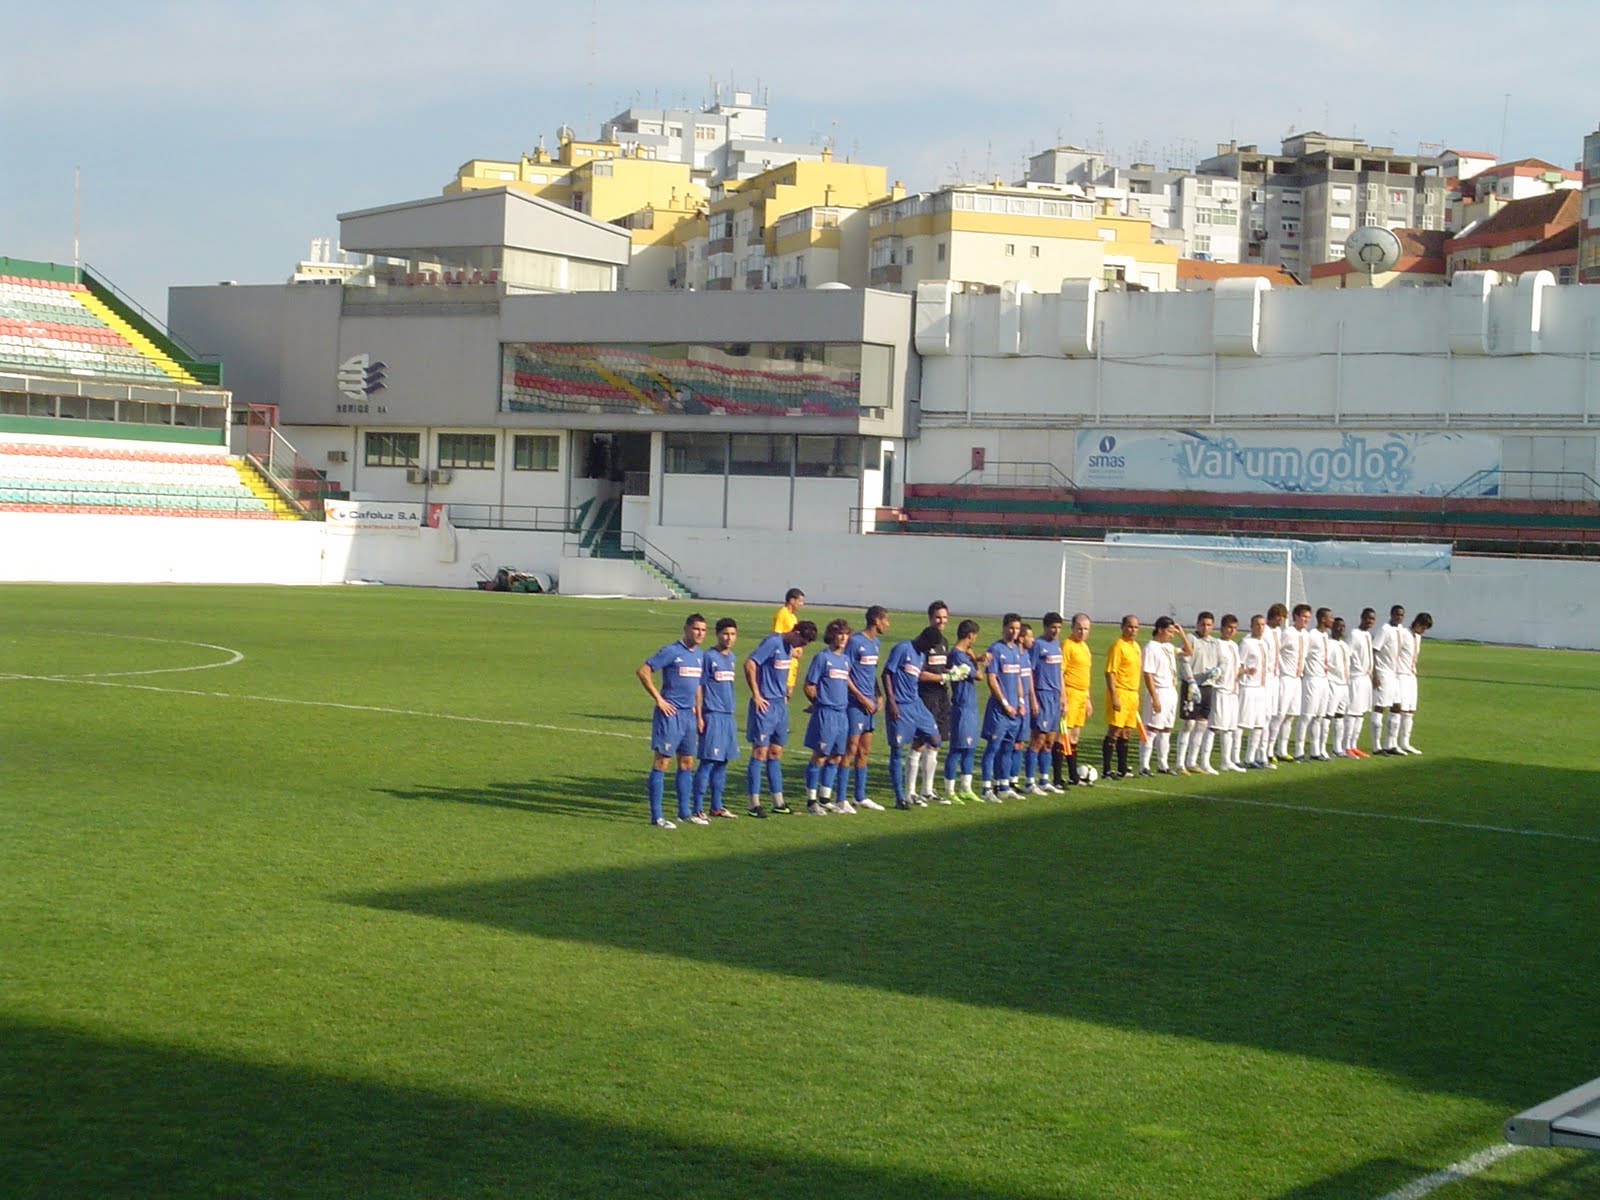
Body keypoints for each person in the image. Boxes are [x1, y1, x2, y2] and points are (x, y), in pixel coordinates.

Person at [637, 613, 707, 829]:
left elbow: (698, 687)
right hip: (670, 715)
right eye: (696, 629)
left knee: (687, 762)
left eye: (703, 630)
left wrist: (699, 715)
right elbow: (643, 671)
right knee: (662, 762)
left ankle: (684, 813)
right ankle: (657, 816)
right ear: (686, 629)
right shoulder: (672, 651)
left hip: (688, 716)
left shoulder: (699, 655)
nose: (700, 633)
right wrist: (660, 700)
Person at [744, 618, 818, 817]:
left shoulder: (788, 647)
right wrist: (756, 694)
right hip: (765, 704)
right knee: (759, 752)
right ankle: (753, 804)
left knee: (776, 752)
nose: (801, 647)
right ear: (796, 632)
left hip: (780, 705)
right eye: (802, 642)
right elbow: (750, 664)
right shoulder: (772, 642)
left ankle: (778, 802)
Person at [803, 618, 866, 814]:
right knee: (820, 756)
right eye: (840, 634)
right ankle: (811, 802)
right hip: (826, 713)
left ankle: (825, 798)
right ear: (832, 635)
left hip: (842, 713)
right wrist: (819, 703)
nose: (844, 638)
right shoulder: (822, 658)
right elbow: (809, 685)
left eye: (846, 634)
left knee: (837, 756)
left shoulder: (845, 660)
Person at [882, 631, 942, 809]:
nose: (929, 650)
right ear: (923, 638)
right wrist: (891, 701)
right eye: (929, 646)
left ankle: (924, 789)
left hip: (916, 704)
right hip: (900, 705)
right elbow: (886, 673)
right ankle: (900, 797)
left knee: (935, 738)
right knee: (897, 749)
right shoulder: (902, 648)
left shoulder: (921, 655)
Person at [692, 617, 741, 820]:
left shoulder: (731, 658)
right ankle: (697, 807)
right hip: (712, 715)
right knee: (708, 762)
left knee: (722, 762)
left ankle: (716, 806)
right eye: (725, 634)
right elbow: (699, 687)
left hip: (728, 717)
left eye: (732, 634)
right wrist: (699, 715)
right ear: (718, 634)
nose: (729, 638)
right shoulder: (708, 657)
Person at [842, 605, 890, 811]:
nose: (888, 624)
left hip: (870, 705)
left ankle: (859, 796)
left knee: (864, 750)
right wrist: (861, 698)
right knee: (850, 749)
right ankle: (840, 798)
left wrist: (878, 695)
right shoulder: (855, 642)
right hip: (855, 704)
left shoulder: (876, 643)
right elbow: (844, 673)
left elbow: (872, 673)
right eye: (886, 620)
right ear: (877, 621)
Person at [980, 613, 1031, 801]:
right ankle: (986, 788)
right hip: (999, 711)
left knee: (1008, 749)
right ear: (1003, 628)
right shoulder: (995, 649)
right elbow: (992, 679)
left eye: (1017, 628)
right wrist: (1005, 703)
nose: (1014, 632)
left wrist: (1021, 701)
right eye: (1011, 628)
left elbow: (1017, 678)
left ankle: (1003, 786)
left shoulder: (1016, 651)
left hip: (1014, 712)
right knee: (993, 748)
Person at [911, 601, 953, 804]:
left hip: (941, 697)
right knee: (920, 742)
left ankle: (927, 790)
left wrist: (953, 673)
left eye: (944, 617)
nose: (941, 621)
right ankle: (911, 791)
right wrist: (942, 677)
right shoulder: (923, 642)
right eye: (938, 617)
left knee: (936, 743)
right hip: (925, 696)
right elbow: (918, 673)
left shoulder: (944, 642)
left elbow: (942, 668)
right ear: (930, 618)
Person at [942, 619, 984, 803]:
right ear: (970, 635)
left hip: (970, 706)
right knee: (957, 749)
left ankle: (966, 788)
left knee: (970, 748)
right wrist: (976, 660)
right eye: (975, 636)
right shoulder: (958, 656)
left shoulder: (962, 655)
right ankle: (950, 790)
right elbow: (979, 675)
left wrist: (974, 657)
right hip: (962, 707)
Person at [1175, 611, 1220, 774]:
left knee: (1201, 724)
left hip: (1207, 686)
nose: (1205, 628)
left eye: (1209, 625)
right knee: (1189, 723)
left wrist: (1217, 672)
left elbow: (1218, 662)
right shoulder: (1191, 638)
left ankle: (1192, 761)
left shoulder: (1214, 643)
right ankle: (1180, 763)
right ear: (1197, 624)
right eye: (1203, 624)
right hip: (1191, 686)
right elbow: (1184, 660)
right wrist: (1191, 680)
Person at [1027, 612, 1066, 793]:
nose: (1056, 631)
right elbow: (1030, 672)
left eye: (1059, 627)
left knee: (1050, 740)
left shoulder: (1057, 645)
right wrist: (1033, 698)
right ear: (1045, 627)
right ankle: (1029, 781)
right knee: (1038, 739)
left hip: (1055, 697)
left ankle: (1044, 779)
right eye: (1053, 627)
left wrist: (1063, 696)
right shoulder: (1038, 645)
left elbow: (1059, 672)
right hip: (1042, 694)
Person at [1055, 613, 1094, 787]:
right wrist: (1063, 696)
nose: (1082, 632)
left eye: (1086, 629)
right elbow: (1060, 672)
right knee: (1063, 734)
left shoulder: (1085, 647)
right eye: (1079, 628)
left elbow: (1086, 675)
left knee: (1075, 736)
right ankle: (1057, 777)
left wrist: (1088, 699)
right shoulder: (1067, 645)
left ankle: (1073, 775)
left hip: (1081, 695)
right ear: (1072, 628)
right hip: (1070, 693)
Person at [1102, 614, 1142, 780]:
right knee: (1115, 730)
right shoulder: (1118, 646)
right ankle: (1106, 769)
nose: (1133, 630)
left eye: (1136, 627)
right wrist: (1114, 696)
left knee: (1126, 731)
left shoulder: (1136, 646)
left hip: (1132, 694)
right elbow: (1110, 672)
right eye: (1130, 626)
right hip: (1120, 692)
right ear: (1123, 627)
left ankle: (1122, 768)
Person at [1139, 617, 1181, 776]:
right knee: (1151, 729)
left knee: (1166, 729)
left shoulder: (1168, 647)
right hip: (1159, 691)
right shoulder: (1150, 648)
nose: (1172, 635)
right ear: (1160, 629)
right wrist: (1154, 696)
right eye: (1170, 631)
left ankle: (1163, 764)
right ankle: (1144, 765)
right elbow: (1148, 674)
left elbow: (1188, 651)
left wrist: (1182, 634)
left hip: (1171, 691)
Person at [1272, 604, 1310, 762]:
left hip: (1297, 679)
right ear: (1295, 617)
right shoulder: (1288, 633)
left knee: (1290, 715)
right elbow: (1277, 651)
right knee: (1280, 714)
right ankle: (1268, 750)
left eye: (1308, 617)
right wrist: (1283, 669)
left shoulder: (1306, 635)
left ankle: (1282, 750)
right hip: (1286, 678)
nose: (1306, 620)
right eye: (1303, 617)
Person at [1295, 607, 1333, 762]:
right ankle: (1298, 751)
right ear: (1323, 619)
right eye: (1330, 617)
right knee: (1306, 716)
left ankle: (1315, 750)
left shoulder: (1325, 636)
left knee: (1319, 717)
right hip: (1312, 679)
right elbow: (1303, 655)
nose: (1332, 620)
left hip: (1324, 680)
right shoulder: (1312, 635)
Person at [1208, 614, 1243, 773]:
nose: (1232, 631)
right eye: (1229, 627)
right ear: (1222, 628)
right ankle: (1205, 761)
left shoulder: (1234, 645)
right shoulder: (1217, 644)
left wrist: (1245, 671)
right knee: (1214, 727)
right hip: (1220, 690)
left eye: (1234, 628)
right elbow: (1212, 667)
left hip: (1233, 691)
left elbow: (1236, 668)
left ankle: (1226, 761)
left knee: (1229, 728)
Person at [1370, 604, 1406, 755]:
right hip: (1383, 673)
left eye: (1401, 615)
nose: (1399, 617)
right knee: (1380, 707)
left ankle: (1390, 743)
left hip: (1394, 675)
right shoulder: (1384, 630)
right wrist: (1375, 674)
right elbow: (1374, 650)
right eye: (1397, 614)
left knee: (1397, 707)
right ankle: (1376, 746)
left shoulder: (1400, 630)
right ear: (1391, 614)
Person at [1395, 612, 1433, 754]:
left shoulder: (1418, 637)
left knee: (1411, 710)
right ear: (1417, 623)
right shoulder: (1403, 633)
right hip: (1401, 674)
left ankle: (1405, 742)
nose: (1424, 630)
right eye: (1423, 627)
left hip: (1412, 675)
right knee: (1401, 709)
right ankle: (1393, 742)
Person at [1237, 614, 1272, 768]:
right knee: (1242, 724)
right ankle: (1235, 758)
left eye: (1263, 625)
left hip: (1261, 688)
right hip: (1248, 687)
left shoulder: (1264, 643)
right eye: (1257, 624)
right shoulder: (1246, 643)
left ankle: (1250, 758)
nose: (1260, 627)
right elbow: (1238, 665)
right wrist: (1245, 671)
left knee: (1259, 724)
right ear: (1251, 626)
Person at [1344, 607, 1376, 758]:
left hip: (1365, 679)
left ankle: (1354, 744)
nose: (1370, 621)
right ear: (1361, 617)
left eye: (1372, 619)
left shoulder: (1368, 635)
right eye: (1367, 618)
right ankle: (1346, 746)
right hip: (1355, 678)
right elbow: (1347, 656)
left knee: (1361, 714)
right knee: (1352, 712)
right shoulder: (1353, 634)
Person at [771, 587, 807, 698]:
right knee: (783, 693)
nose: (801, 604)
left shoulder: (793, 617)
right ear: (792, 600)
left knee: (789, 692)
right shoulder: (782, 614)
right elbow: (776, 637)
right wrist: (791, 652)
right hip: (785, 660)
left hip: (793, 661)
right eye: (800, 601)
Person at [1325, 616, 1352, 759]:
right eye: (1338, 626)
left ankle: (1337, 748)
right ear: (1332, 627)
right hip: (1333, 683)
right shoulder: (1329, 644)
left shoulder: (1345, 645)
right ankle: (1321, 748)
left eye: (1343, 626)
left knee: (1340, 716)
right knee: (1328, 716)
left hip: (1344, 684)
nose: (1341, 629)